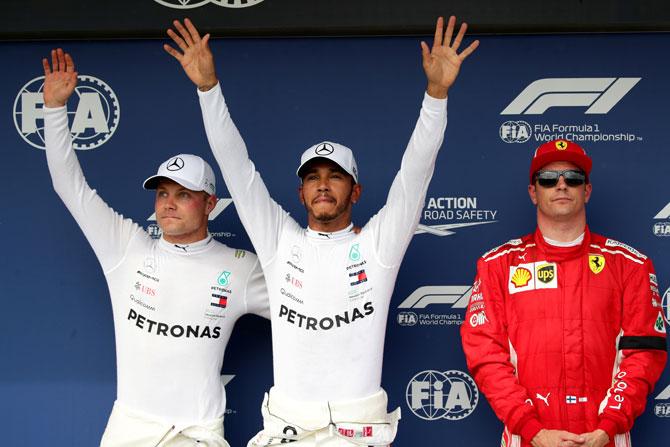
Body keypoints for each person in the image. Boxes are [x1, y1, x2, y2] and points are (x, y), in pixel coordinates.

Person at [163, 15, 478, 446]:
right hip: (287, 430)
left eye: (335, 176)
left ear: (355, 190)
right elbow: (236, 167)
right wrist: (208, 89)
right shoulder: (280, 242)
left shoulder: (378, 247)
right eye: (313, 177)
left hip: (358, 433)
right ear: (301, 192)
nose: (324, 184)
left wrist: (436, 96)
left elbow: (415, 173)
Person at [42, 48, 269, 447]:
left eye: (183, 195)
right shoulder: (126, 248)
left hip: (197, 435)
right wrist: (55, 110)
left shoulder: (241, 268)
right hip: (129, 431)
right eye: (163, 192)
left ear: (210, 204)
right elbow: (69, 187)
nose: (168, 203)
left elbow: (307, 314)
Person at [461, 139, 668, 447]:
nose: (561, 185)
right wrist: (532, 429)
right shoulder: (498, 266)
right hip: (528, 439)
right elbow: (486, 356)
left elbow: (644, 354)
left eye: (573, 178)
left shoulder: (631, 265)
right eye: (548, 179)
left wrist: (607, 426)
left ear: (586, 191)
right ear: (534, 193)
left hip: (605, 438)